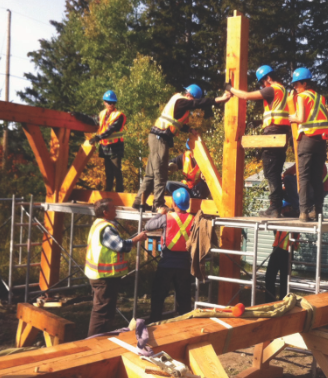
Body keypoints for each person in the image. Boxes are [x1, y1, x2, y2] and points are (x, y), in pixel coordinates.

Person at [133, 86, 231, 212]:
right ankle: (158, 204)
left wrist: (189, 129)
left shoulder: (178, 103)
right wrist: (219, 99)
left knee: (151, 174)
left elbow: (177, 123)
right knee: (160, 173)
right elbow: (197, 103)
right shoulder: (182, 101)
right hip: (159, 139)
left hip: (157, 138)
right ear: (191, 96)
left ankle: (138, 202)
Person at [225, 65, 290, 217]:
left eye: (262, 83)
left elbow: (246, 96)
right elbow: (276, 115)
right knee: (275, 170)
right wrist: (259, 123)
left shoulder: (272, 88)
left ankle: (274, 207)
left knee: (271, 172)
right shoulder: (283, 90)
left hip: (273, 136)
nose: (262, 86)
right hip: (280, 133)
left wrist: (230, 88)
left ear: (268, 78)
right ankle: (276, 206)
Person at [85, 198, 146, 336]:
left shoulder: (99, 224)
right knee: (101, 313)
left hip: (101, 275)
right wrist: (137, 238)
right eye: (113, 208)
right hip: (104, 277)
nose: (116, 210)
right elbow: (120, 246)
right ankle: (93, 341)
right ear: (105, 212)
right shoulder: (106, 228)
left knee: (105, 311)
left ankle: (101, 338)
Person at [144, 188, 195, 323]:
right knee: (184, 299)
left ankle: (154, 323)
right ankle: (184, 326)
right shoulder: (194, 219)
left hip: (167, 263)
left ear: (174, 204)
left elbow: (148, 226)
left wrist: (159, 214)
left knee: (158, 296)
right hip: (184, 265)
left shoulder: (167, 217)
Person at [288, 68, 328, 222]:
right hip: (321, 141)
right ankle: (317, 211)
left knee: (304, 176)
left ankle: (304, 213)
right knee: (316, 177)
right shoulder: (320, 98)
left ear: (304, 83)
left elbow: (301, 118)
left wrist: (291, 118)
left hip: (307, 139)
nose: (295, 88)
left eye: (296, 84)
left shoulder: (302, 96)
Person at [72, 90, 127, 192]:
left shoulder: (118, 116)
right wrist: (79, 115)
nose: (111, 104)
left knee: (116, 171)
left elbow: (110, 130)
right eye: (109, 102)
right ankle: (108, 192)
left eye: (113, 102)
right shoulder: (102, 114)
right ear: (104, 102)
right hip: (106, 147)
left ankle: (120, 193)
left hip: (116, 147)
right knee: (108, 173)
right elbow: (92, 121)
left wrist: (97, 137)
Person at [265, 204, 299, 303]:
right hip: (277, 250)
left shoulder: (293, 217)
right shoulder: (281, 217)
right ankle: (270, 300)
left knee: (284, 280)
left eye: (284, 208)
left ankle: (283, 302)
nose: (282, 211)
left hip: (286, 252)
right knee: (269, 277)